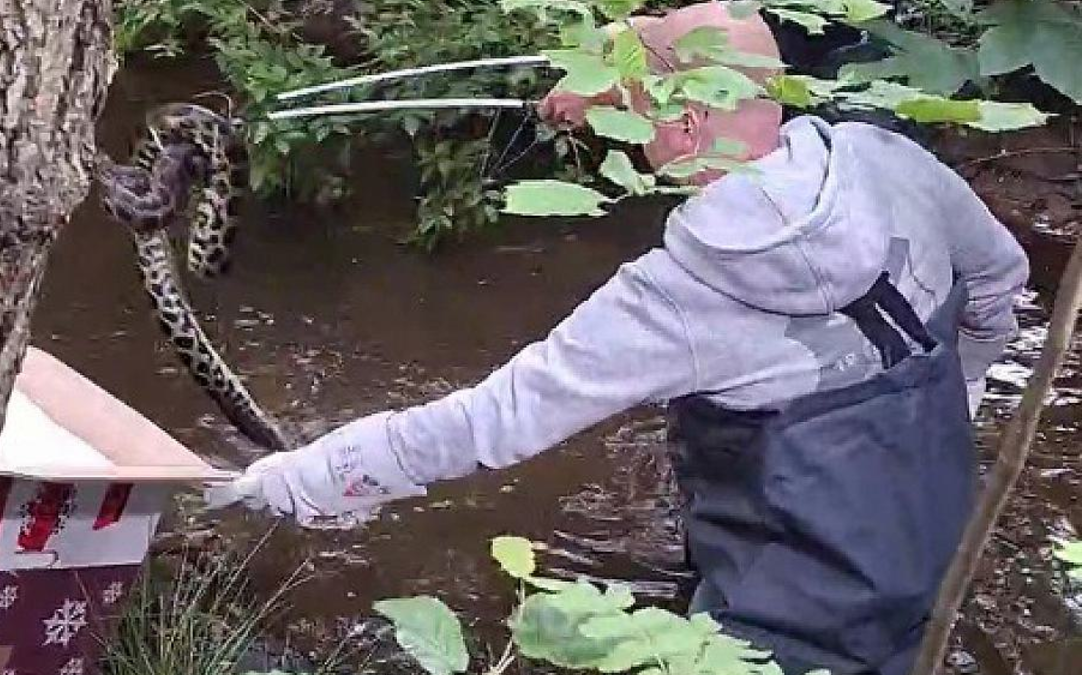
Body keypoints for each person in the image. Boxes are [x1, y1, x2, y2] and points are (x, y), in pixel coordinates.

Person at [206, 4, 1029, 674]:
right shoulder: (888, 160)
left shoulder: (676, 299)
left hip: (789, 625)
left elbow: (489, 424)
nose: (625, 135)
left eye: (636, 116)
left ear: (686, 125)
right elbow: (1002, 279)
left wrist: (304, 478)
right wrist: (962, 389)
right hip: (936, 546)